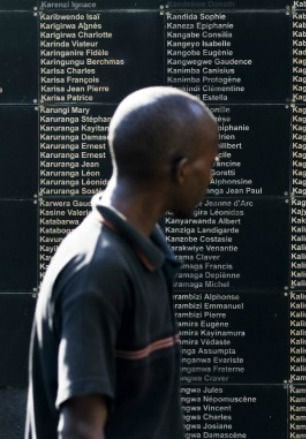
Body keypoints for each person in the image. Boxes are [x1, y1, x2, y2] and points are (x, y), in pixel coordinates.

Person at [26, 86, 219, 438]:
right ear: (181, 170)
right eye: (212, 163)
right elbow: (80, 429)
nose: (212, 176)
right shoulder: (97, 271)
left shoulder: (145, 254)